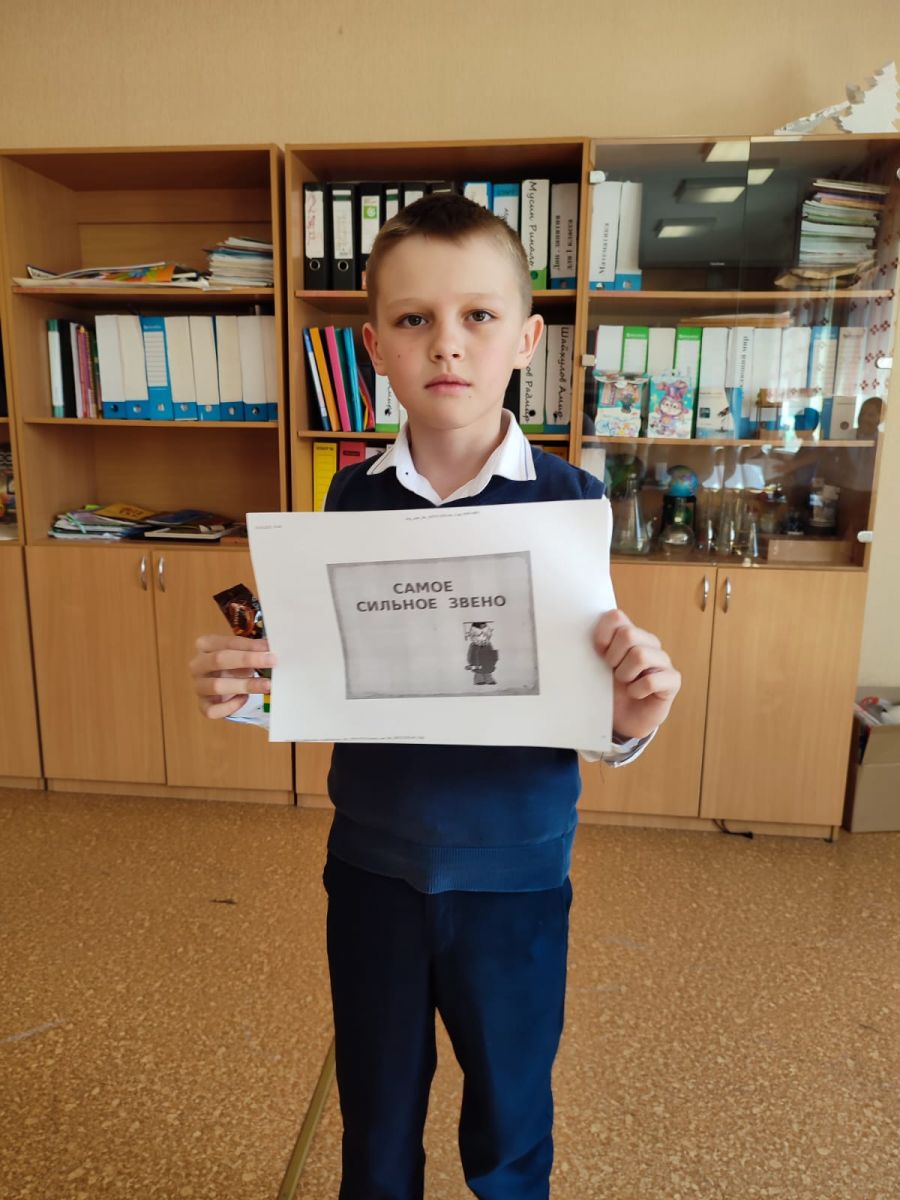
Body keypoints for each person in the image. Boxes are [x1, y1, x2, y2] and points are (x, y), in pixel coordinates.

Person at [189, 192, 681, 1200]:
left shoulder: (571, 502)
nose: (446, 343)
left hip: (516, 874)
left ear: (528, 340)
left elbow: (585, 693)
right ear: (375, 344)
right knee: (376, 1116)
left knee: (510, 1117)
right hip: (373, 865)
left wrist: (628, 723)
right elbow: (330, 677)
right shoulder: (349, 498)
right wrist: (248, 692)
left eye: (478, 315)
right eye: (414, 319)